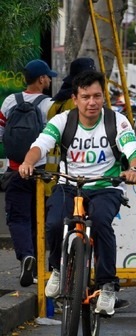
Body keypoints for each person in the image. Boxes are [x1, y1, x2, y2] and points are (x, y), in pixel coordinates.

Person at [18, 70, 136, 317]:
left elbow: (134, 150)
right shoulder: (63, 121)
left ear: (103, 97)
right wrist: (27, 162)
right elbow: (40, 146)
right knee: (54, 224)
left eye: (97, 96)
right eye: (86, 96)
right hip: (69, 184)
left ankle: (107, 286)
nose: (92, 102)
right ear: (75, 99)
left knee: (100, 223)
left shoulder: (116, 121)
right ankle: (56, 268)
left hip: (106, 186)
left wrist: (134, 169)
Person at [0, 59, 56, 287]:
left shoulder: (10, 101)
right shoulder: (49, 105)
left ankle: (26, 256)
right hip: (42, 173)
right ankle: (38, 266)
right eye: (48, 76)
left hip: (15, 170)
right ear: (41, 79)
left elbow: (1, 132)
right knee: (39, 219)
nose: (49, 80)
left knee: (18, 217)